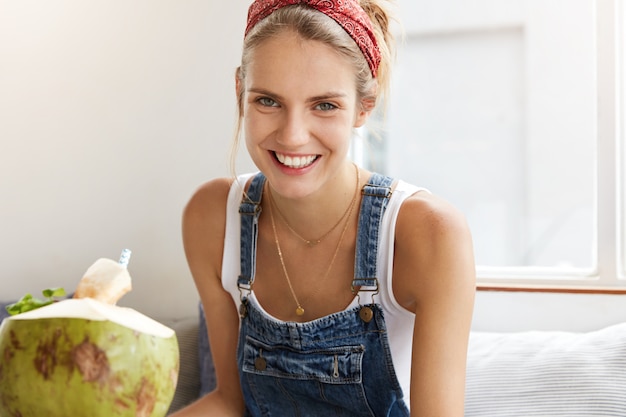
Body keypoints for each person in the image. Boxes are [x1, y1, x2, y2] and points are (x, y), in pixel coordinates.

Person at [174, 0, 475, 415]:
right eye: (268, 101)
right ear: (240, 89)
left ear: (363, 107)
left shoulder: (428, 233)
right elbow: (230, 401)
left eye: (325, 105)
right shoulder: (212, 217)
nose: (293, 136)